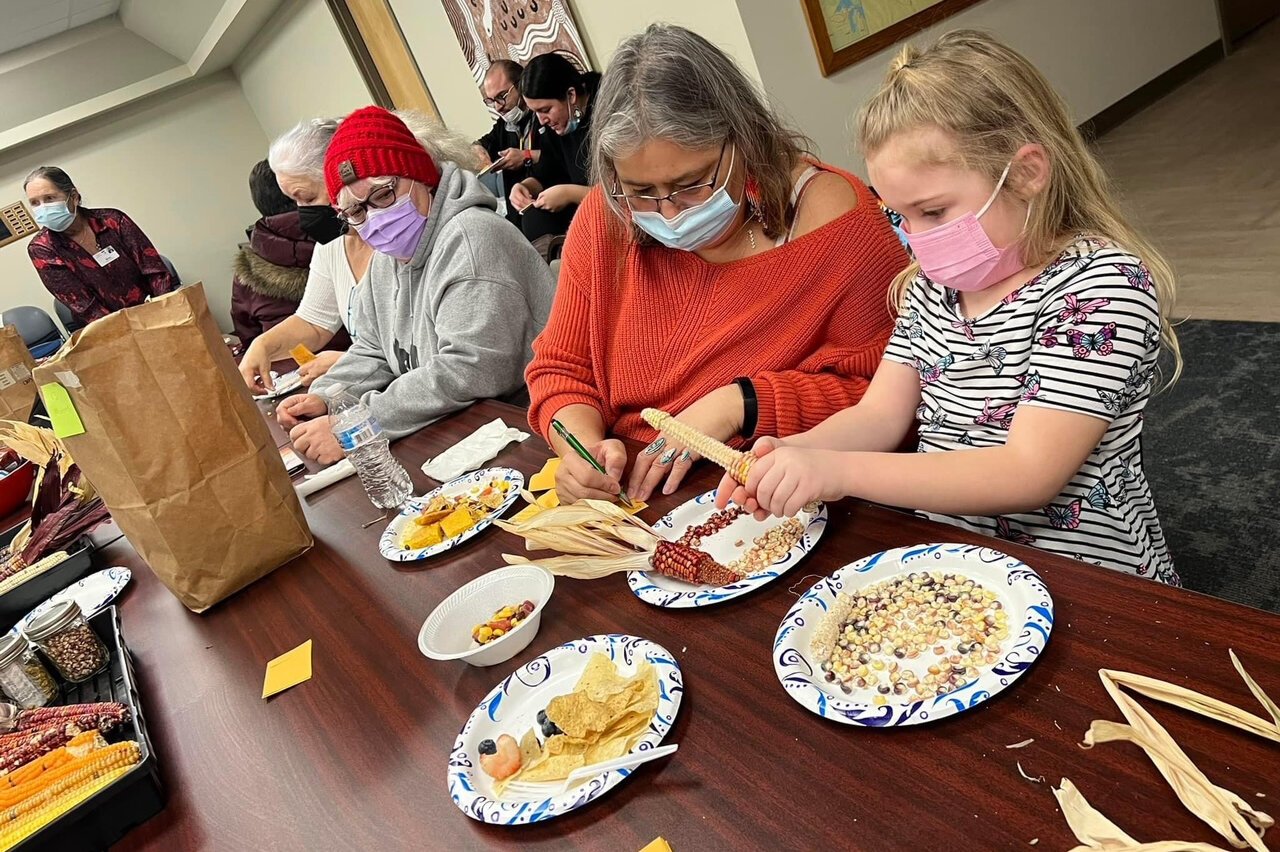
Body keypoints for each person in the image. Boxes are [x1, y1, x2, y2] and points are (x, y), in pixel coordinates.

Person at [718, 31, 1182, 584]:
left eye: (934, 212)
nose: (914, 240)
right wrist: (792, 453)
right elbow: (879, 415)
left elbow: (1027, 472)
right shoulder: (931, 287)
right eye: (900, 217)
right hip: (954, 567)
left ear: (1028, 172)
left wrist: (833, 470)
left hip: (1091, 581)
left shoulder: (1103, 289)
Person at [525, 24, 908, 505]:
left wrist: (742, 404)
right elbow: (561, 369)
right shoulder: (605, 219)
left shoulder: (837, 225)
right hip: (639, 501)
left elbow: (895, 397)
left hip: (785, 502)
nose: (669, 212)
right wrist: (579, 448)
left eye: (692, 183)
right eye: (641, 192)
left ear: (742, 139)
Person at [277, 106, 555, 464]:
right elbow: (374, 349)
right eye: (356, 213)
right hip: (469, 431)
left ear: (420, 176)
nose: (374, 220)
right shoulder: (388, 259)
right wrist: (330, 396)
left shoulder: (472, 238)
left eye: (382, 196)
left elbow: (469, 370)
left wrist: (359, 425)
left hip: (528, 433)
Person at [238, 118, 366, 393]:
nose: (300, 212)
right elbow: (314, 323)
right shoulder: (331, 245)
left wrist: (349, 362)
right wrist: (263, 346)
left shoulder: (393, 240)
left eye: (306, 198)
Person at [24, 166, 176, 326]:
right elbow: (84, 305)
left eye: (49, 198)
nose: (43, 207)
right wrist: (128, 330)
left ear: (73, 197)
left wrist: (161, 311)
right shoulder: (42, 248)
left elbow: (154, 269)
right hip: (108, 329)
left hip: (157, 312)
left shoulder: (112, 221)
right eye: (35, 203)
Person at [509, 53, 599, 249]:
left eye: (546, 110)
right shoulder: (558, 128)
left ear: (571, 95)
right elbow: (547, 171)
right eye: (536, 113)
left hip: (615, 214)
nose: (541, 121)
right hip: (585, 215)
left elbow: (624, 195)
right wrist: (524, 187)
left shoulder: (608, 113)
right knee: (534, 218)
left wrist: (570, 193)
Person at [471, 59, 562, 240]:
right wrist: (477, 150)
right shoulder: (505, 126)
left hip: (554, 209)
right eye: (491, 101)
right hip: (520, 221)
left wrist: (526, 156)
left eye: (502, 96)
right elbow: (481, 143)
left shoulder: (545, 117)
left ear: (520, 85)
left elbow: (559, 158)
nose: (498, 106)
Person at [229, 160, 316, 347]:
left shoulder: (247, 270)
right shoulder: (347, 237)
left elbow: (247, 334)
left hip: (288, 367)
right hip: (369, 357)